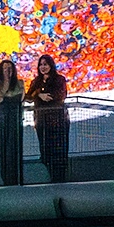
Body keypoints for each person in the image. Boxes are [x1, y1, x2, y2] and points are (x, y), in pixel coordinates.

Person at [24, 54, 69, 182]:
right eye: (41, 65)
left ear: (51, 65)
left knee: (59, 149)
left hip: (58, 120)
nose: (43, 67)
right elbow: (28, 97)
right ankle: (49, 176)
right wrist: (39, 94)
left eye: (45, 64)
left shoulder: (59, 79)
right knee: (45, 149)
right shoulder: (36, 81)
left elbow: (61, 95)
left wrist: (46, 96)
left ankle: (60, 177)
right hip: (42, 121)